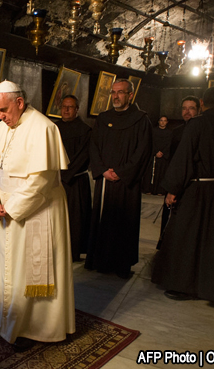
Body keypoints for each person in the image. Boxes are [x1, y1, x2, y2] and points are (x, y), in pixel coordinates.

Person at [0, 80, 75, 349]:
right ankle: (1, 318)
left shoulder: (44, 128)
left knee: (30, 271)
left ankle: (32, 327)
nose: (0, 116)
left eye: (4, 110)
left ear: (19, 103)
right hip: (4, 210)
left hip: (36, 211)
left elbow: (41, 181)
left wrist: (11, 209)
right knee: (5, 266)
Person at [151, 87, 214, 302]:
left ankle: (184, 285)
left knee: (186, 238)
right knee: (209, 241)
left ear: (202, 103)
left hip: (196, 189)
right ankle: (207, 284)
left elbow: (185, 158)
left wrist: (172, 188)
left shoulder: (198, 124)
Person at [85, 79, 152, 278]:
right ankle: (100, 261)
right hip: (105, 180)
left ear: (130, 95)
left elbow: (143, 151)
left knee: (125, 222)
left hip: (127, 183)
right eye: (113, 92)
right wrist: (102, 170)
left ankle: (121, 264)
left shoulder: (141, 120)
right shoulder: (103, 118)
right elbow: (93, 146)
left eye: (120, 92)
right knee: (103, 221)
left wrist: (122, 172)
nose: (115, 96)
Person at [158, 96, 201, 246]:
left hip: (192, 182)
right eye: (184, 108)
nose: (187, 112)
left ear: (198, 110)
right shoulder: (177, 132)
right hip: (175, 178)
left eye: (191, 108)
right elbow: (173, 159)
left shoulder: (201, 130)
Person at [55, 95, 92, 262]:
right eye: (64, 106)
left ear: (77, 109)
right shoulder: (53, 128)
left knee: (75, 219)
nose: (66, 110)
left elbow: (83, 156)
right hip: (55, 180)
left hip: (75, 181)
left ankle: (73, 252)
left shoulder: (85, 130)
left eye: (70, 107)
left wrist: (65, 175)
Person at [142, 115, 172, 195]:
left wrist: (162, 152)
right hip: (153, 155)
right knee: (150, 173)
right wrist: (155, 152)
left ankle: (159, 190)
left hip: (163, 156)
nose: (163, 122)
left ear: (167, 122)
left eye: (164, 120)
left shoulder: (169, 133)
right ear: (158, 121)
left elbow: (168, 144)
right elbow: (151, 142)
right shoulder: (153, 131)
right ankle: (148, 189)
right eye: (161, 120)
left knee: (161, 173)